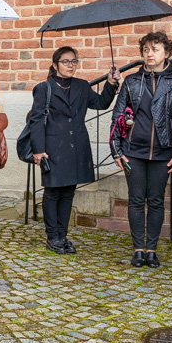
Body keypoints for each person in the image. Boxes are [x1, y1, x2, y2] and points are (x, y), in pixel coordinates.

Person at [110, 31, 172, 268]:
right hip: (133, 151)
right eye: (146, 49)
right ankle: (138, 250)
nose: (149, 54)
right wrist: (117, 150)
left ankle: (151, 250)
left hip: (163, 152)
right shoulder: (132, 81)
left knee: (155, 201)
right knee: (136, 200)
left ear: (167, 53)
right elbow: (117, 117)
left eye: (155, 49)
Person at [30, 46, 119, 254]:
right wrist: (38, 149)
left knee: (68, 192)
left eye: (73, 61)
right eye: (65, 61)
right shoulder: (44, 88)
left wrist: (111, 84)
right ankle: (52, 237)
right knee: (53, 192)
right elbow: (35, 120)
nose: (70, 65)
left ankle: (62, 236)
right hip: (52, 148)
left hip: (76, 147)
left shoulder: (81, 86)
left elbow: (101, 103)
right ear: (55, 65)